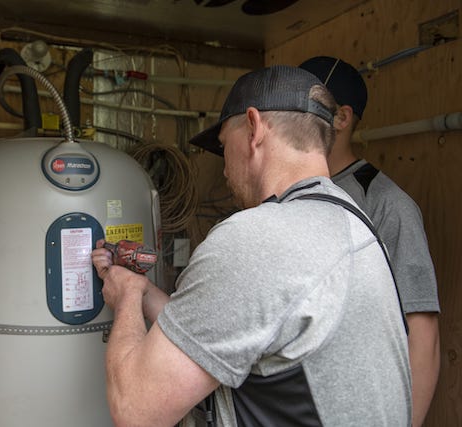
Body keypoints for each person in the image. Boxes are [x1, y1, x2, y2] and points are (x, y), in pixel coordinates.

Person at [92, 65, 411, 426]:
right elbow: (225, 327)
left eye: (224, 145)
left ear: (254, 127)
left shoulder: (257, 238)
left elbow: (135, 409)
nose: (224, 169)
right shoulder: (353, 222)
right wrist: (144, 289)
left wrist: (127, 298)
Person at [299, 56, 440, 427]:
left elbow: (423, 332)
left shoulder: (388, 205)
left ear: (342, 119)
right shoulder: (291, 194)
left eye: (306, 104)